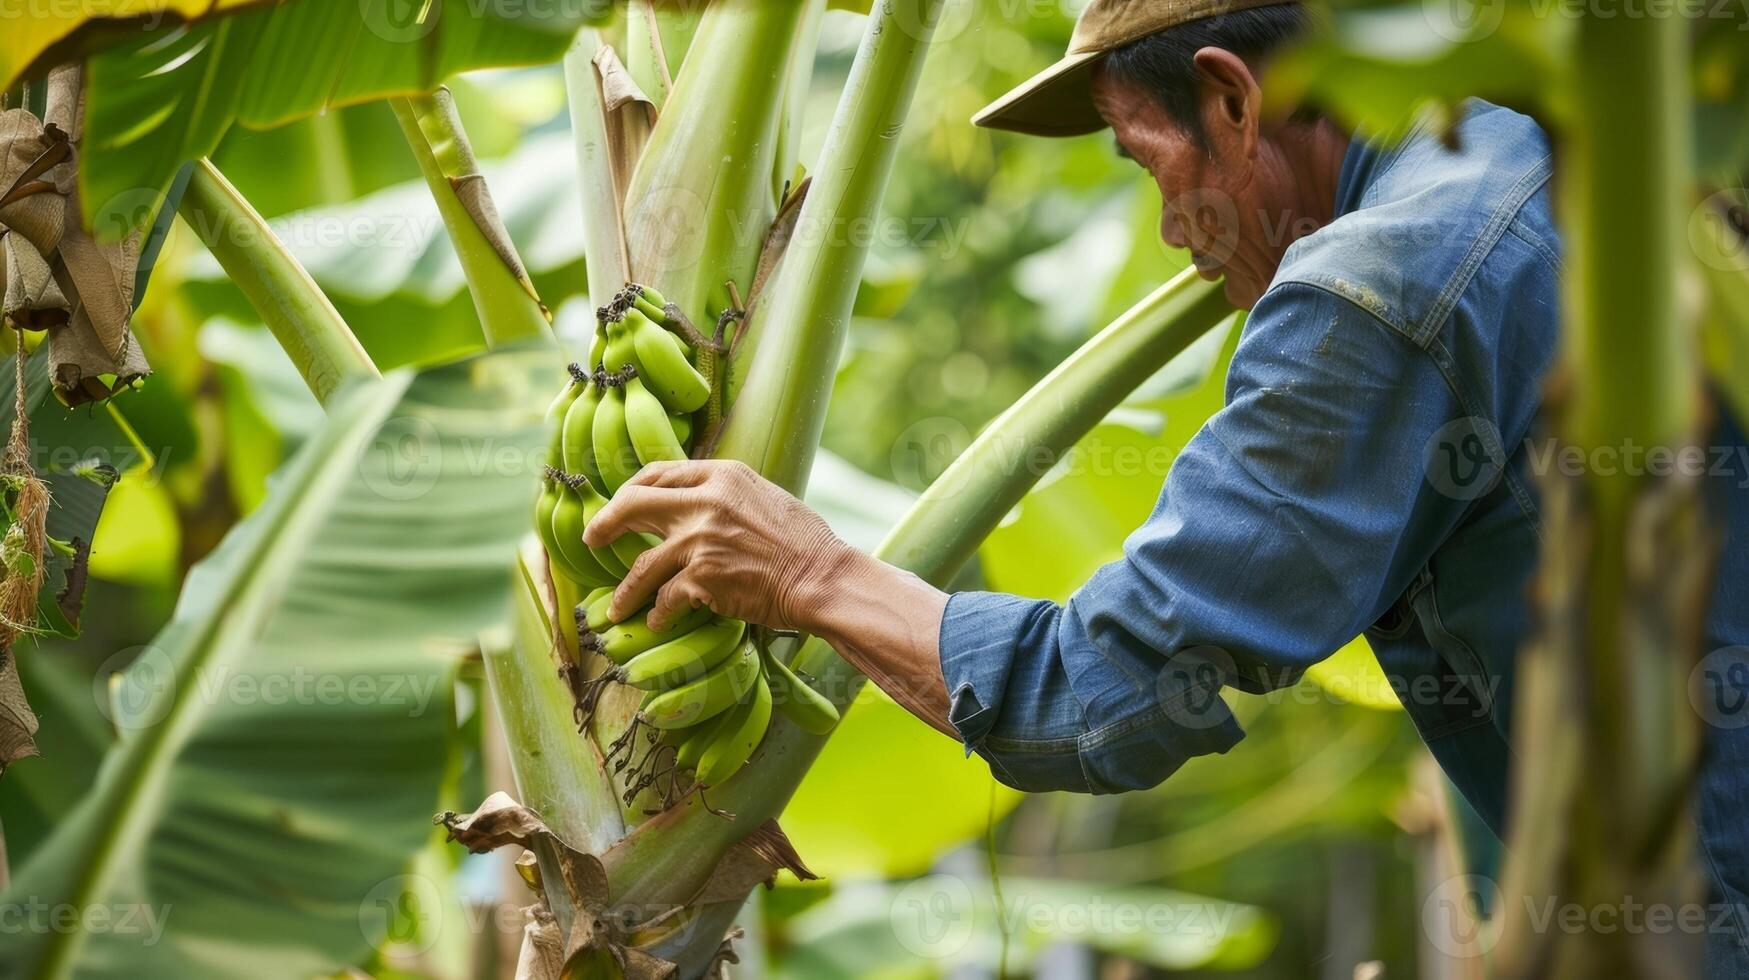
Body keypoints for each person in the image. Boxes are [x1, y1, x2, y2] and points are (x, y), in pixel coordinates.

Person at [583, 1, 1749, 971]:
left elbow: (1112, 690)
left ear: (1234, 99)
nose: (1164, 231)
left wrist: (808, 571)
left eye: (1148, 162)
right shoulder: (1550, 154)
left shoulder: (1379, 282)